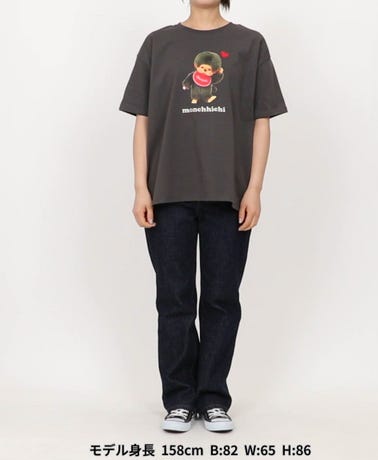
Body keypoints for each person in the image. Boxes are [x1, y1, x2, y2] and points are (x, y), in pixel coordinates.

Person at [118, 0, 288, 432]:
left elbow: (262, 120)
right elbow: (142, 119)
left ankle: (213, 398)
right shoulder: (158, 44)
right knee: (174, 300)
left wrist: (254, 188)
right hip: (168, 193)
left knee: (221, 299)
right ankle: (179, 399)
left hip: (228, 195)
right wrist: (141, 187)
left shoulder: (250, 44)